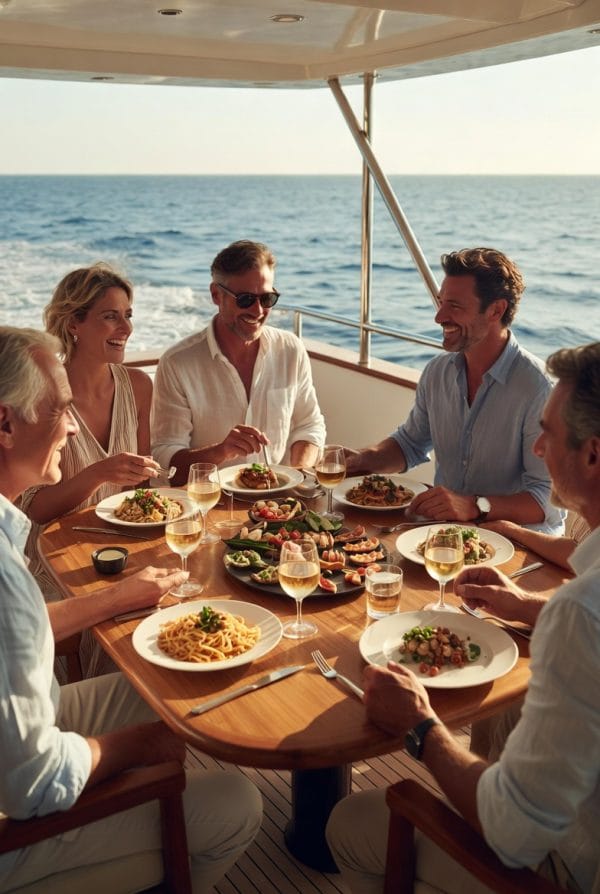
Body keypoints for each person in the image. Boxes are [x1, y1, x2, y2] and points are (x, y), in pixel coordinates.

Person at [326, 341, 600, 894]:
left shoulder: (579, 613)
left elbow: (514, 833)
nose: (540, 449)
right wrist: (527, 606)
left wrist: (422, 727)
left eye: (547, 434)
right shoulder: (580, 601)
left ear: (593, 454)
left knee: (348, 824)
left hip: (568, 866)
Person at [0, 326, 262, 893]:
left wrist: (118, 596)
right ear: (5, 424)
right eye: (60, 411)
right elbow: (34, 784)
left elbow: (17, 632)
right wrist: (134, 748)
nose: (71, 428)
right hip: (13, 825)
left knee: (159, 689)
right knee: (237, 801)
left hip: (24, 734)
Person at [345, 247, 563, 534]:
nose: (439, 317)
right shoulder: (437, 372)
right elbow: (410, 443)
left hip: (519, 544)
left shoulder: (538, 389)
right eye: (440, 303)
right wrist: (364, 458)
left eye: (455, 307)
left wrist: (474, 506)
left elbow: (546, 500)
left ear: (496, 310)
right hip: (446, 534)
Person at [18, 264, 162, 675]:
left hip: (123, 547)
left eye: (128, 314)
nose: (126, 328)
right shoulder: (44, 393)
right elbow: (32, 511)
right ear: (74, 323)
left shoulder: (138, 386)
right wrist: (98, 473)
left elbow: (146, 489)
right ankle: (102, 712)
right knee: (124, 622)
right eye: (110, 316)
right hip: (57, 558)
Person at [151, 240, 326, 485]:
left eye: (267, 299)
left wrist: (296, 477)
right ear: (215, 294)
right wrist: (221, 451)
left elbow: (309, 425)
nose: (257, 311)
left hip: (278, 502)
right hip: (209, 503)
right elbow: (165, 460)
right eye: (245, 299)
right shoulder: (177, 363)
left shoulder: (291, 349)